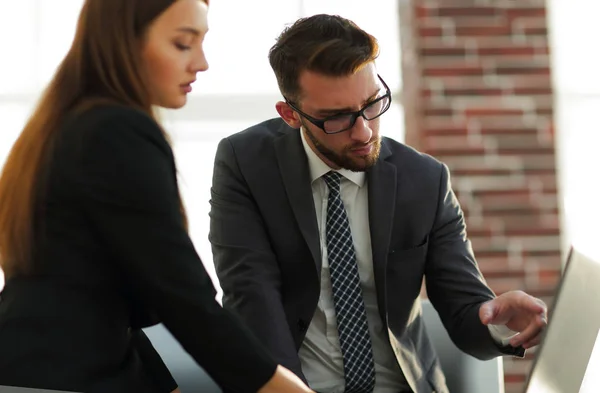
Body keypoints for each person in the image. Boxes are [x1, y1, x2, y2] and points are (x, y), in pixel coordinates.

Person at [209, 14, 548, 393]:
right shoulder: (245, 163)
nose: (364, 131)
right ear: (291, 115)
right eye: (336, 118)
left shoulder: (424, 179)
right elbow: (251, 297)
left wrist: (497, 318)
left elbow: (462, 303)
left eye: (371, 103)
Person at [0, 1, 314, 393]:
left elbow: (126, 294)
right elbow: (181, 293)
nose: (202, 63)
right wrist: (281, 386)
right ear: (124, 42)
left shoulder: (65, 125)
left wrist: (166, 384)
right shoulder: (116, 132)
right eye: (183, 44)